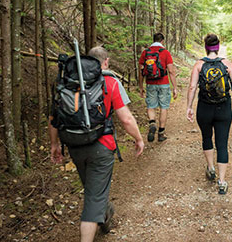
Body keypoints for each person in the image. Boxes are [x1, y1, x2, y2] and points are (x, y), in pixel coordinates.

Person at [49, 46, 144, 242]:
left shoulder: (67, 82)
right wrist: (138, 138)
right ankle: (95, 220)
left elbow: (54, 118)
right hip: (102, 146)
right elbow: (125, 118)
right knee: (93, 200)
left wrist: (54, 144)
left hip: (74, 145)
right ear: (105, 62)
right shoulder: (109, 82)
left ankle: (104, 213)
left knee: (93, 189)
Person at [186, 33, 232, 195]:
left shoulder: (198, 65)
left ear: (205, 47)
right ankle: (222, 182)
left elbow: (192, 87)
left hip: (204, 108)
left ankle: (211, 168)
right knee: (222, 143)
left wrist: (189, 107)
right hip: (223, 108)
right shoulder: (226, 64)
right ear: (218, 47)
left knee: (206, 137)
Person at [139, 32, 178, 142]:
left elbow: (141, 71)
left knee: (151, 106)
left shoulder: (145, 53)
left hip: (150, 83)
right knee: (163, 107)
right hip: (164, 83)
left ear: (153, 40)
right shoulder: (165, 52)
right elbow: (171, 71)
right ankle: (161, 134)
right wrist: (174, 87)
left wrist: (141, 86)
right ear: (162, 41)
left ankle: (152, 123)